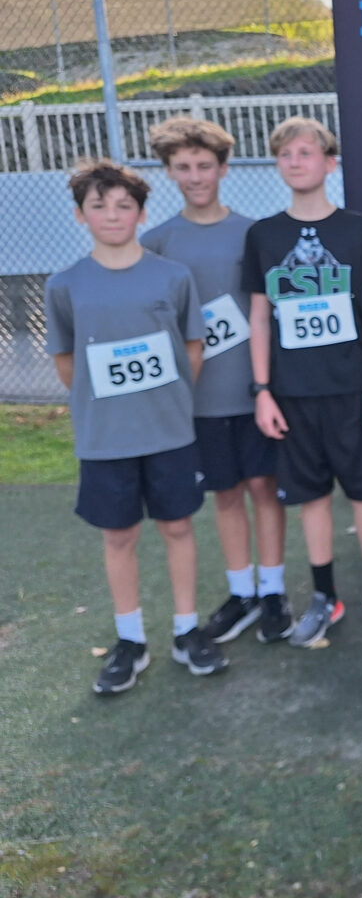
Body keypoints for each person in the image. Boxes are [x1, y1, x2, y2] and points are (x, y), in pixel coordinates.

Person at [46, 159, 227, 693]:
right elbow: (66, 364)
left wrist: (166, 402)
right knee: (119, 534)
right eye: (99, 206)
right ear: (81, 216)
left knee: (177, 526)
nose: (112, 215)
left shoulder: (172, 277)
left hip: (169, 432)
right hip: (106, 439)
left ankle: (186, 630)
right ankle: (131, 640)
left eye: (124, 205)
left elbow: (193, 350)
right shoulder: (66, 286)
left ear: (142, 213)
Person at [242, 117, 362, 649]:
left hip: (352, 389)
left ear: (330, 163)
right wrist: (262, 390)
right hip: (293, 395)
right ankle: (323, 595)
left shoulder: (357, 229)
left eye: (306, 152)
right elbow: (261, 317)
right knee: (311, 497)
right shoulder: (263, 235)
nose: (296, 161)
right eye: (286, 154)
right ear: (277, 165)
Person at [143, 117, 290, 644]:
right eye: (182, 167)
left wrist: (267, 385)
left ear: (224, 169)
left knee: (264, 487)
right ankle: (242, 592)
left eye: (204, 165)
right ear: (168, 173)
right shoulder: (157, 242)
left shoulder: (254, 233)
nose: (195, 176)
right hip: (199, 400)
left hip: (254, 392)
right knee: (225, 493)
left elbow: (268, 312)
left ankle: (274, 591)